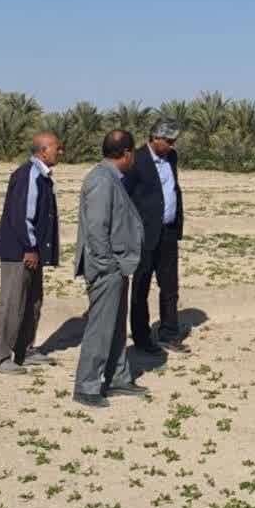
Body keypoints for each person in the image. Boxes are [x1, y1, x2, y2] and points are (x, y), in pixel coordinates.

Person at [72, 130, 147, 407]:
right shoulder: (102, 180)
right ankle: (86, 385)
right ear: (126, 153)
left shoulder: (110, 178)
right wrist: (107, 265)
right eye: (133, 153)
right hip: (107, 267)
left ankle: (117, 378)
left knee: (115, 327)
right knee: (101, 327)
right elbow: (96, 229)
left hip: (116, 265)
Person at [0, 131, 63, 373]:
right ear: (43, 150)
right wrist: (30, 247)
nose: (60, 152)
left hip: (32, 252)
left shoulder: (42, 176)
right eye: (56, 148)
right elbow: (22, 215)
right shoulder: (29, 175)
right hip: (20, 252)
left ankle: (24, 350)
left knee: (32, 301)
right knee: (13, 303)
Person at [123, 118, 186, 354]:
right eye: (168, 141)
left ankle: (170, 333)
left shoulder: (172, 158)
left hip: (168, 232)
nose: (172, 145)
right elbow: (125, 197)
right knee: (141, 286)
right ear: (154, 138)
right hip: (144, 234)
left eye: (174, 141)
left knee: (170, 285)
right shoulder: (136, 160)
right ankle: (141, 337)